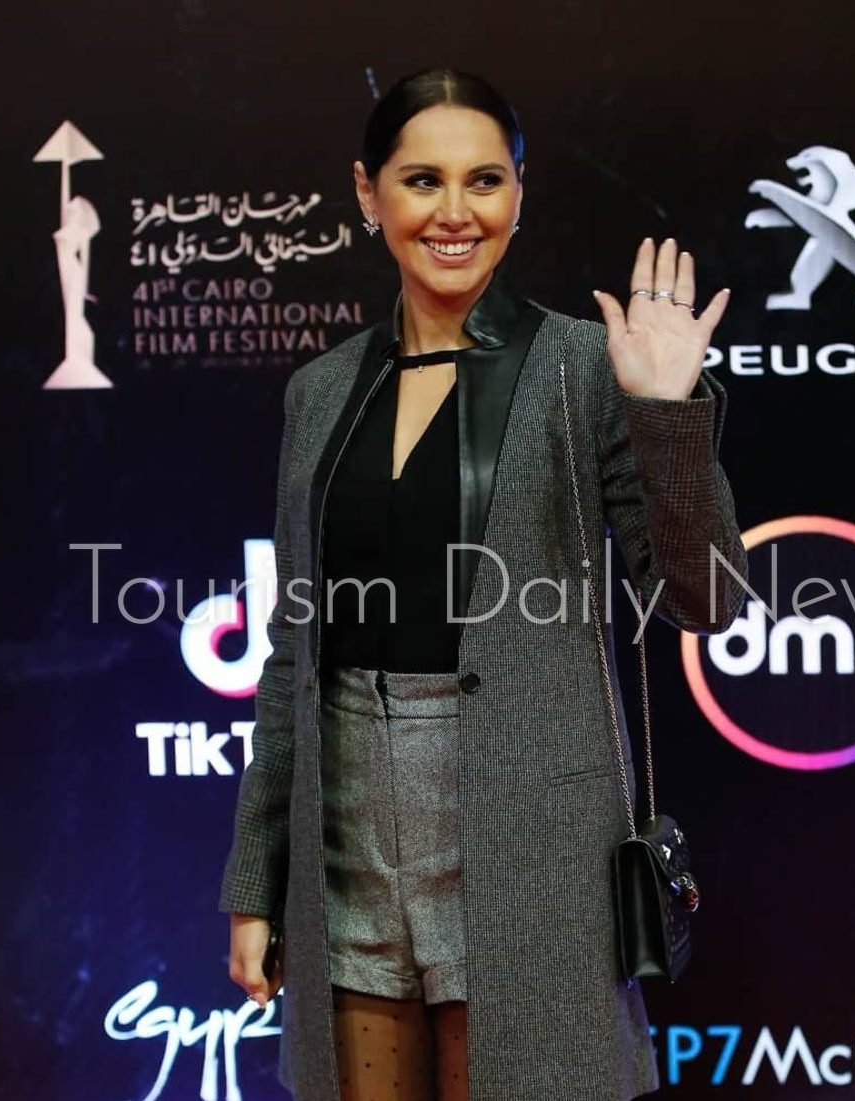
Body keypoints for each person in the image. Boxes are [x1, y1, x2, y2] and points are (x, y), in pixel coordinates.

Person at [219, 67, 747, 1101]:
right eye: (423, 180)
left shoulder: (584, 367)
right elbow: (292, 656)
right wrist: (256, 879)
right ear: (368, 193)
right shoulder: (319, 392)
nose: (455, 213)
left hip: (528, 845)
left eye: (485, 180)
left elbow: (706, 596)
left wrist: (665, 413)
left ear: (518, 193)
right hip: (346, 843)